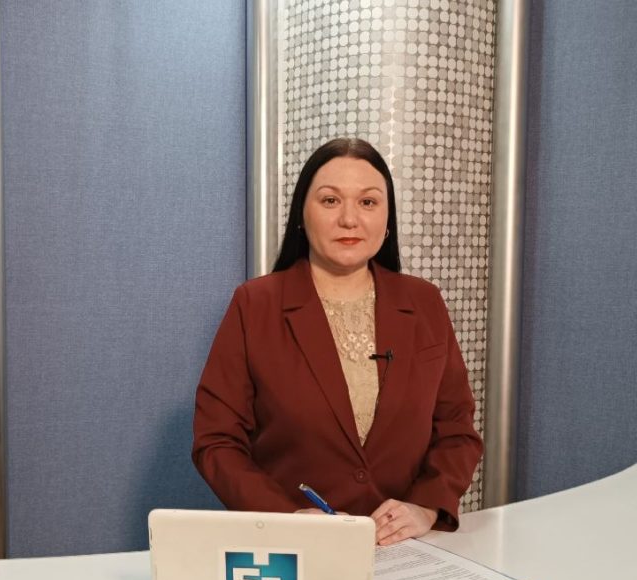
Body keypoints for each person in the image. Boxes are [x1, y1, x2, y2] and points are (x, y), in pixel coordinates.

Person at [192, 138, 482, 545]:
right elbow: (216, 442)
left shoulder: (425, 302)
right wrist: (286, 517)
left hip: (405, 550)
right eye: (330, 201)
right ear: (302, 214)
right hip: (296, 549)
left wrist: (426, 506)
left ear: (387, 218)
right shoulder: (254, 305)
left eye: (368, 202)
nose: (349, 219)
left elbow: (457, 431)